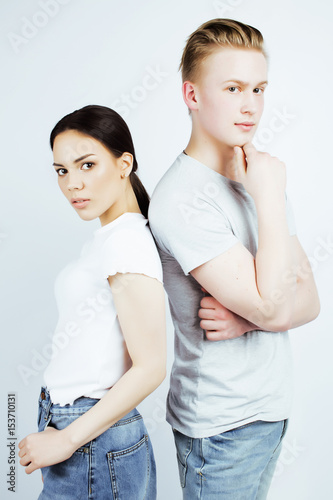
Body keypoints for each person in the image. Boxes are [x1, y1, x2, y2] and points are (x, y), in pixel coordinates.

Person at [148, 18, 320, 500]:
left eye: (260, 88)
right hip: (221, 427)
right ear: (192, 95)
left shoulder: (258, 173)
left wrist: (251, 320)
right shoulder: (182, 199)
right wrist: (267, 198)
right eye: (233, 87)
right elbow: (274, 306)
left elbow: (310, 302)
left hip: (268, 412)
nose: (251, 105)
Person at [18, 104, 166, 500]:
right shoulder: (109, 238)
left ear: (124, 164)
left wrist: (67, 440)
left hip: (90, 440)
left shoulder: (126, 243)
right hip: (81, 434)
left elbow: (151, 367)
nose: (72, 184)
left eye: (87, 165)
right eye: (62, 171)